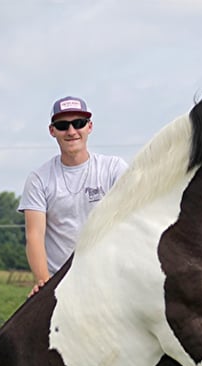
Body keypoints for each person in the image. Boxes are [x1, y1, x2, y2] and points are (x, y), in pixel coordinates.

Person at [18, 96, 129, 295]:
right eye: (62, 125)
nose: (71, 131)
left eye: (78, 123)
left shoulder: (113, 169)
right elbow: (34, 235)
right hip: (61, 285)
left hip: (110, 279)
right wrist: (45, 283)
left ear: (90, 127)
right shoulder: (38, 179)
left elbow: (131, 221)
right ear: (52, 131)